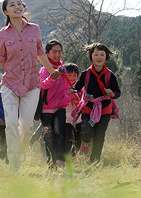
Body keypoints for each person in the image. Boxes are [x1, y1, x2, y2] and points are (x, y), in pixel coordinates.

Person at [0, 0, 59, 174]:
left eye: (19, 4)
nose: (17, 7)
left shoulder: (34, 29)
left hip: (31, 85)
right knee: (11, 123)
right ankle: (14, 165)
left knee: (26, 127)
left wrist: (52, 71)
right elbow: (0, 61)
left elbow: (41, 53)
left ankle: (19, 154)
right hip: (10, 85)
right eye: (12, 5)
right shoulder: (2, 34)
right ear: (6, 11)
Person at [68, 42, 120, 164]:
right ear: (91, 56)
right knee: (86, 132)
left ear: (106, 57)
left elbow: (117, 92)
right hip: (88, 108)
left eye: (102, 54)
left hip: (104, 109)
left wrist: (111, 93)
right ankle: (85, 143)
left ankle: (95, 161)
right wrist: (73, 90)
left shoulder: (110, 75)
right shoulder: (85, 74)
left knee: (99, 136)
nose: (99, 57)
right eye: (96, 54)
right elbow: (78, 85)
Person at [39, 40, 73, 168]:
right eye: (54, 52)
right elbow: (42, 85)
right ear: (47, 53)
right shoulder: (44, 69)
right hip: (46, 109)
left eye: (59, 52)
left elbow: (67, 86)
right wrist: (52, 77)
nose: (57, 54)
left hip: (60, 108)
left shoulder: (63, 69)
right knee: (49, 136)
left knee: (60, 132)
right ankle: (50, 162)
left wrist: (68, 96)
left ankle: (59, 159)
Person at [64, 63, 81, 159]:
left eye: (74, 75)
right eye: (69, 75)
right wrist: (69, 97)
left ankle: (73, 155)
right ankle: (67, 158)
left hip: (79, 118)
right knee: (69, 138)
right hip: (66, 118)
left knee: (79, 139)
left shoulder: (80, 87)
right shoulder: (62, 86)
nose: (72, 78)